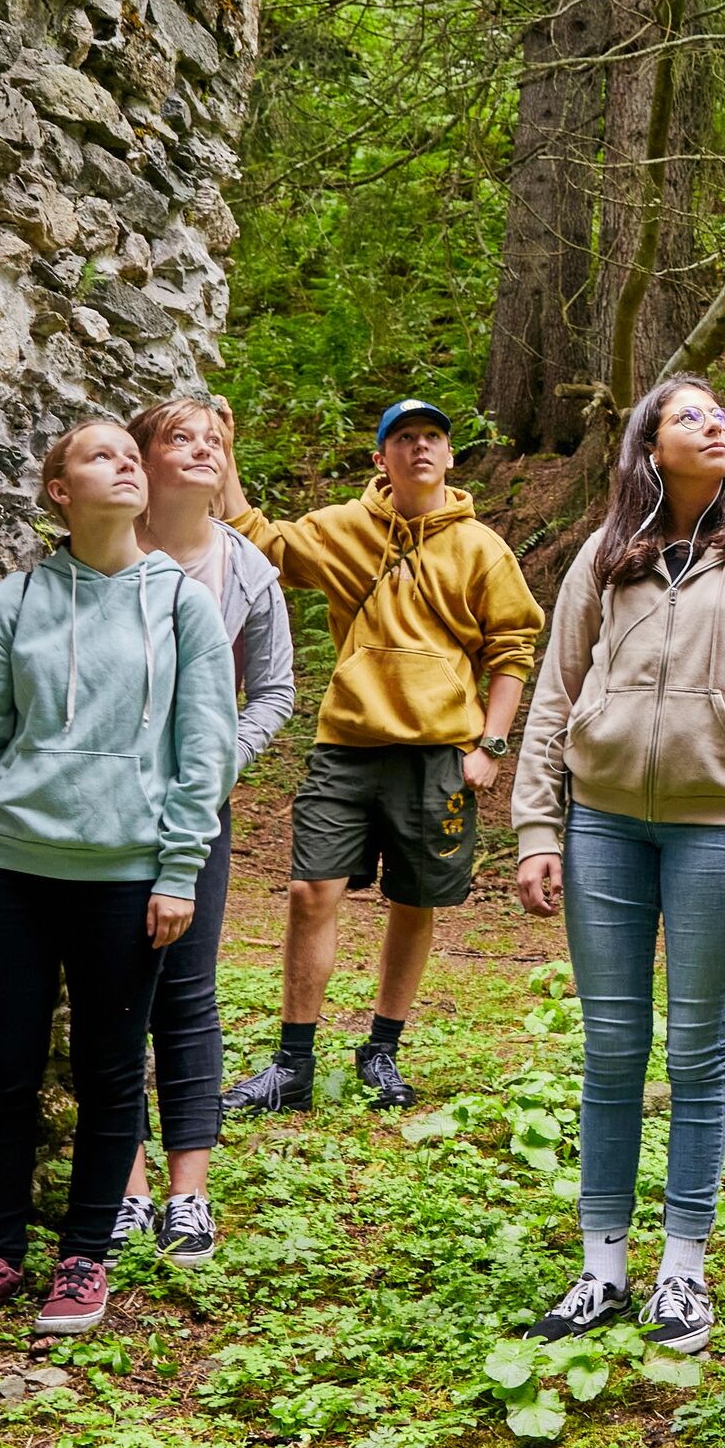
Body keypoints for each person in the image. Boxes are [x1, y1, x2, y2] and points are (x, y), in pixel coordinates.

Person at [507, 377, 725, 1357]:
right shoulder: (604, 560)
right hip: (601, 825)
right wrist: (536, 829)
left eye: (720, 415)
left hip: (718, 832)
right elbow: (554, 695)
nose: (715, 424)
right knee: (610, 1047)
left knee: (695, 1050)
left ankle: (683, 1267)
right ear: (649, 445)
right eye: (690, 416)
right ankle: (602, 1267)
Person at [0, 421, 238, 1339]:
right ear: (58, 490)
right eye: (100, 455)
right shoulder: (16, 601)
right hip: (9, 869)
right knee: (5, 1069)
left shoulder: (181, 603)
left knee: (107, 1071)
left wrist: (177, 871)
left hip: (129, 879)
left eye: (129, 455)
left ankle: (84, 1257)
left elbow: (204, 752)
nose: (126, 462)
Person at [218, 399, 542, 1114]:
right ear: (381, 458)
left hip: (438, 752)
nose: (420, 447)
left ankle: (382, 1048)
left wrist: (491, 743)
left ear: (450, 456)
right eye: (404, 438)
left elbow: (512, 649)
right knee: (311, 891)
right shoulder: (343, 528)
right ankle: (293, 1063)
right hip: (348, 744)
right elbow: (260, 543)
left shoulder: (482, 547)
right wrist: (226, 455)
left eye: (433, 437)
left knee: (414, 899)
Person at [111, 398, 295, 1265]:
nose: (204, 448)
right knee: (114, 991)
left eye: (215, 438)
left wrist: (221, 761)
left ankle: (190, 1195)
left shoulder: (247, 568)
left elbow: (276, 690)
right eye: (182, 437)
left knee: (187, 991)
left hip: (196, 807)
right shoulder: (104, 550)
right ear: (144, 457)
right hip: (98, 808)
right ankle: (124, 1187)